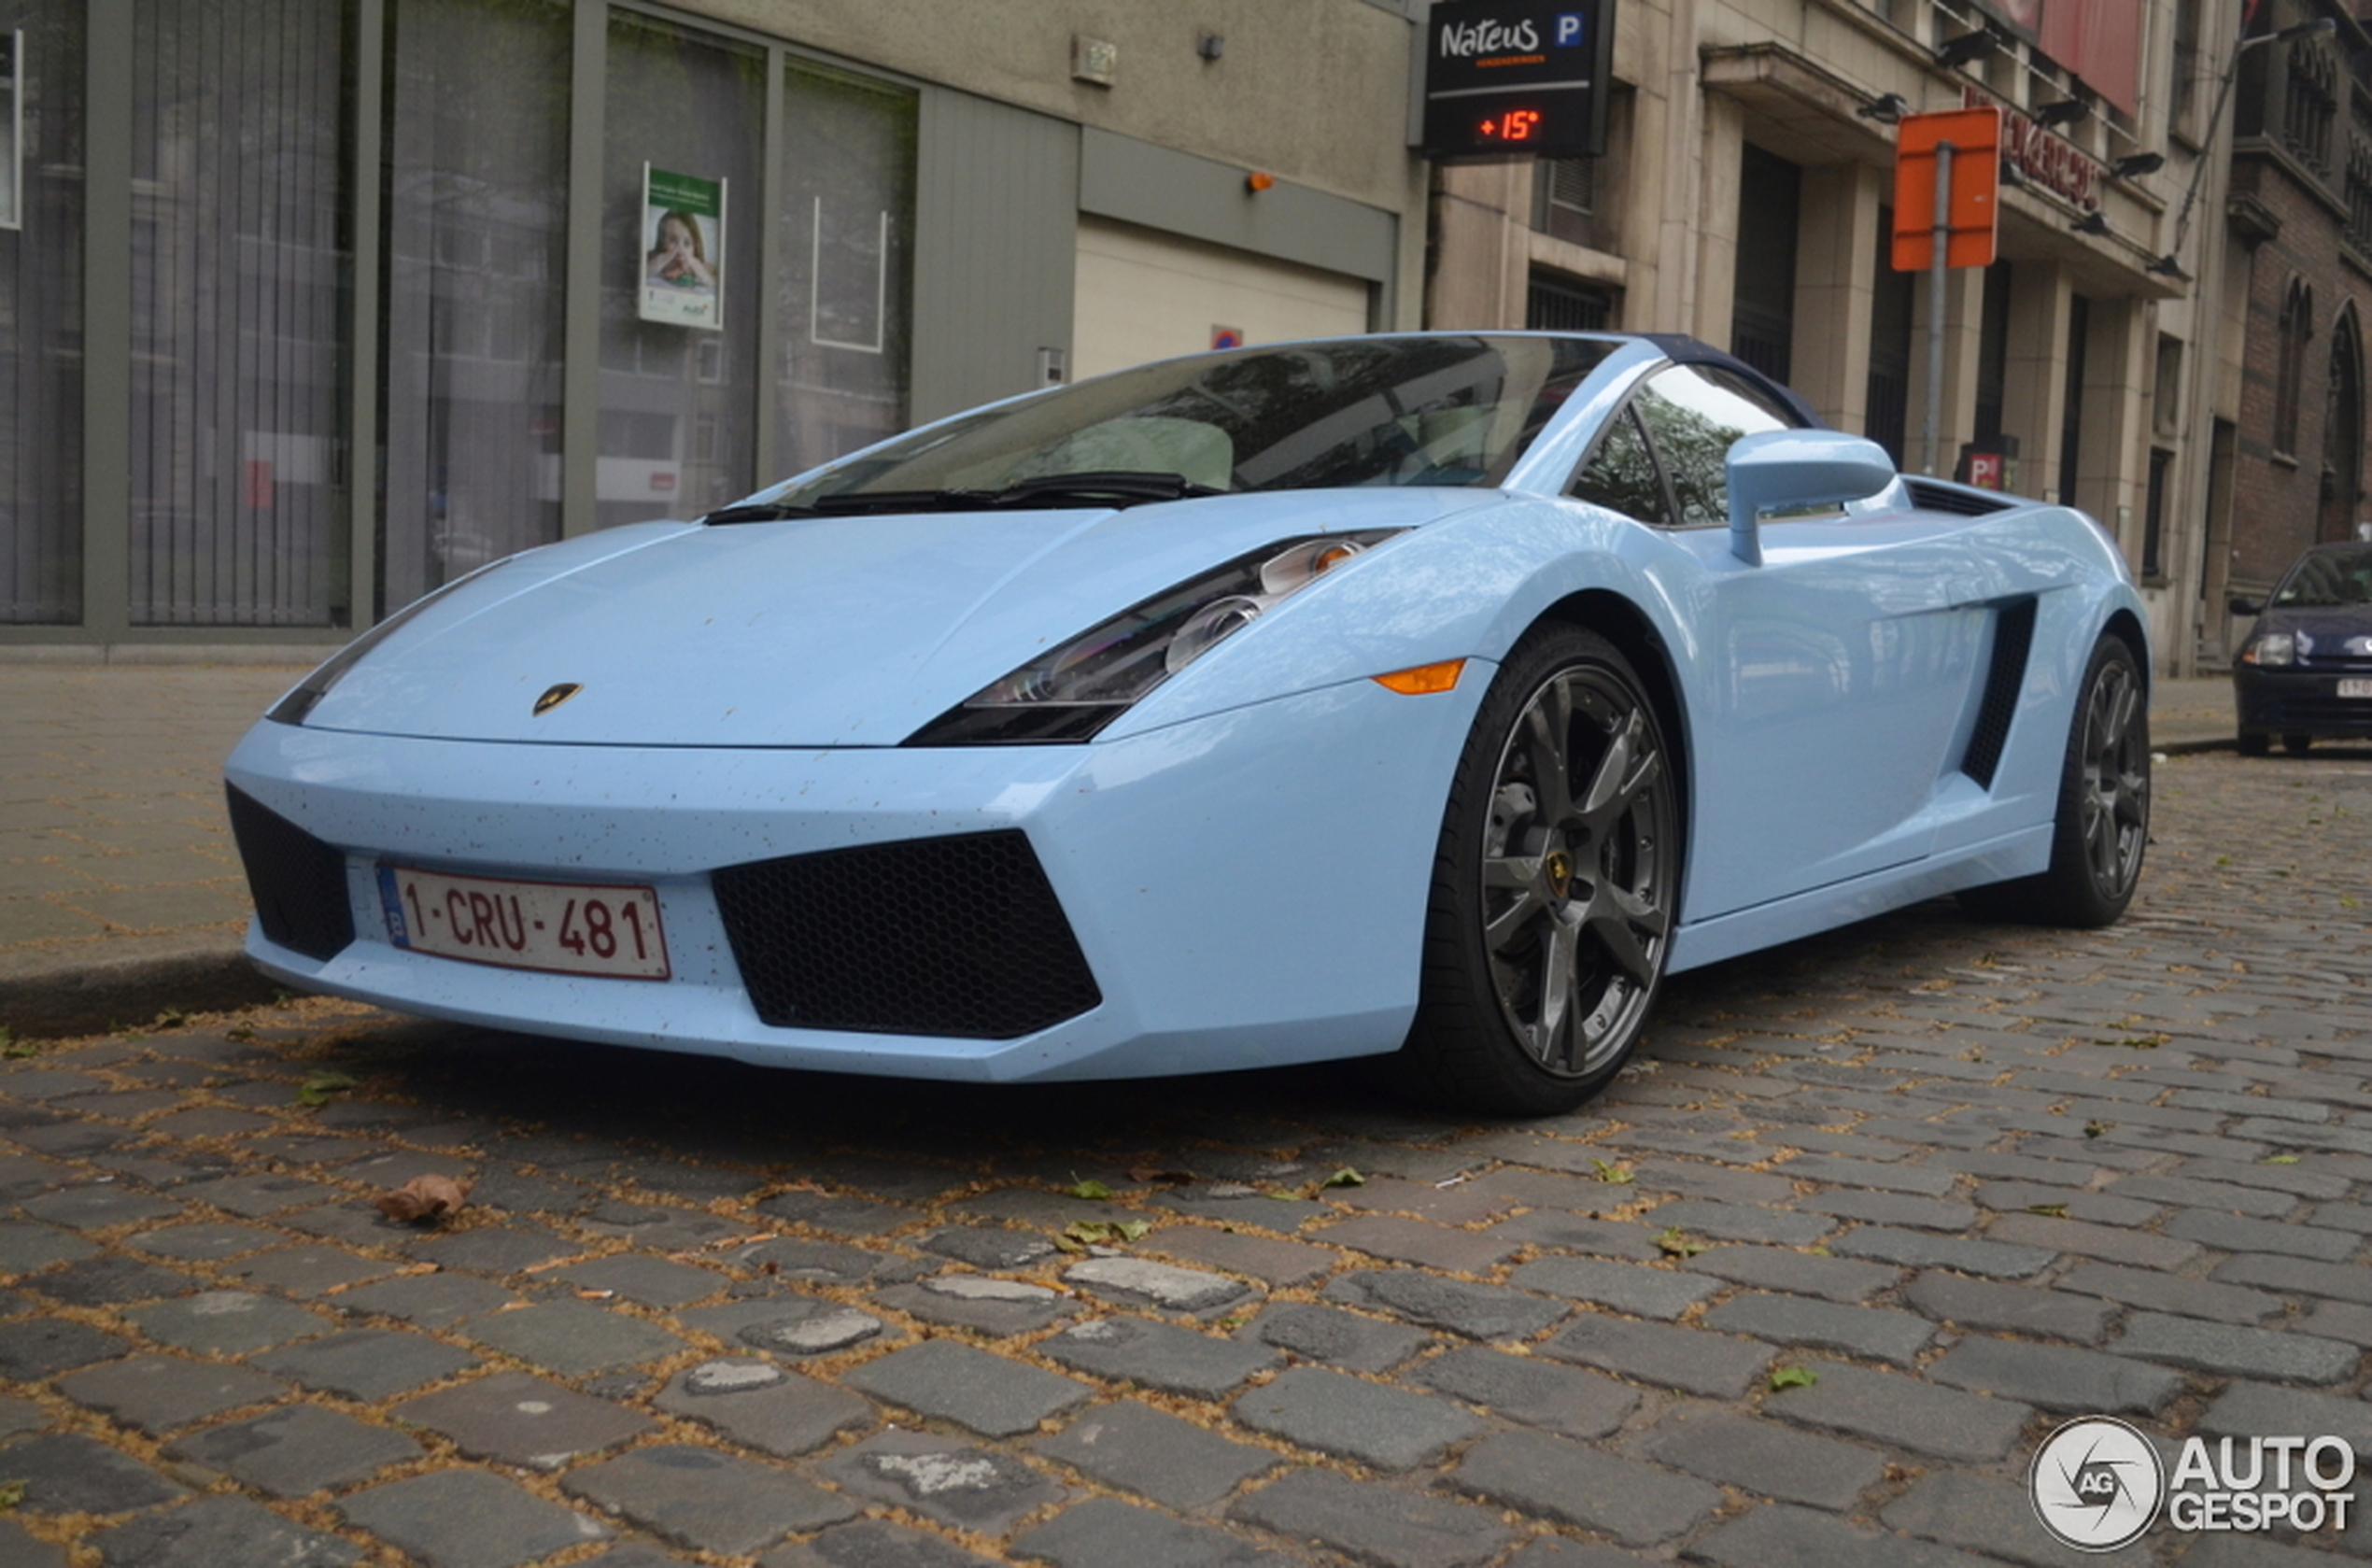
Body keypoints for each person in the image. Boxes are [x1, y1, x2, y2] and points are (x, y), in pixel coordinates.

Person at [645, 210, 715, 290]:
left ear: (694, 248)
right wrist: (655, 265)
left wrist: (704, 276)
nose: (680, 250)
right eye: (673, 240)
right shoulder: (651, 260)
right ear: (662, 243)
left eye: (687, 243)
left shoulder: (703, 267)